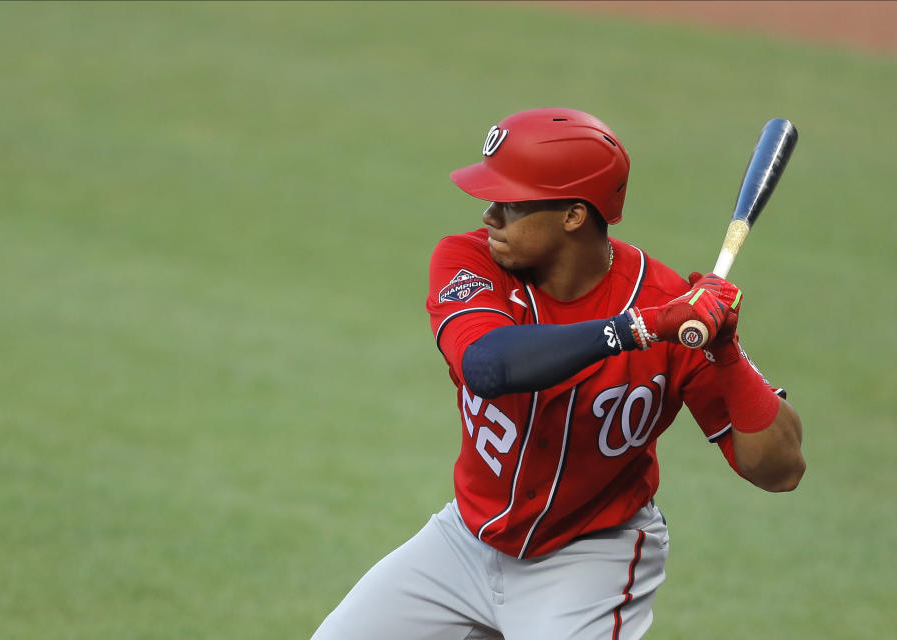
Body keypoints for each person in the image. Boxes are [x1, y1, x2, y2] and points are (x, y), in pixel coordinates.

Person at [311, 108, 805, 640]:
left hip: (590, 560)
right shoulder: (470, 262)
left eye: (512, 202)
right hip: (464, 540)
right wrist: (637, 328)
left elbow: (779, 470)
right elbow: (488, 365)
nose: (490, 217)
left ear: (573, 215)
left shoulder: (670, 308)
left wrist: (725, 350)